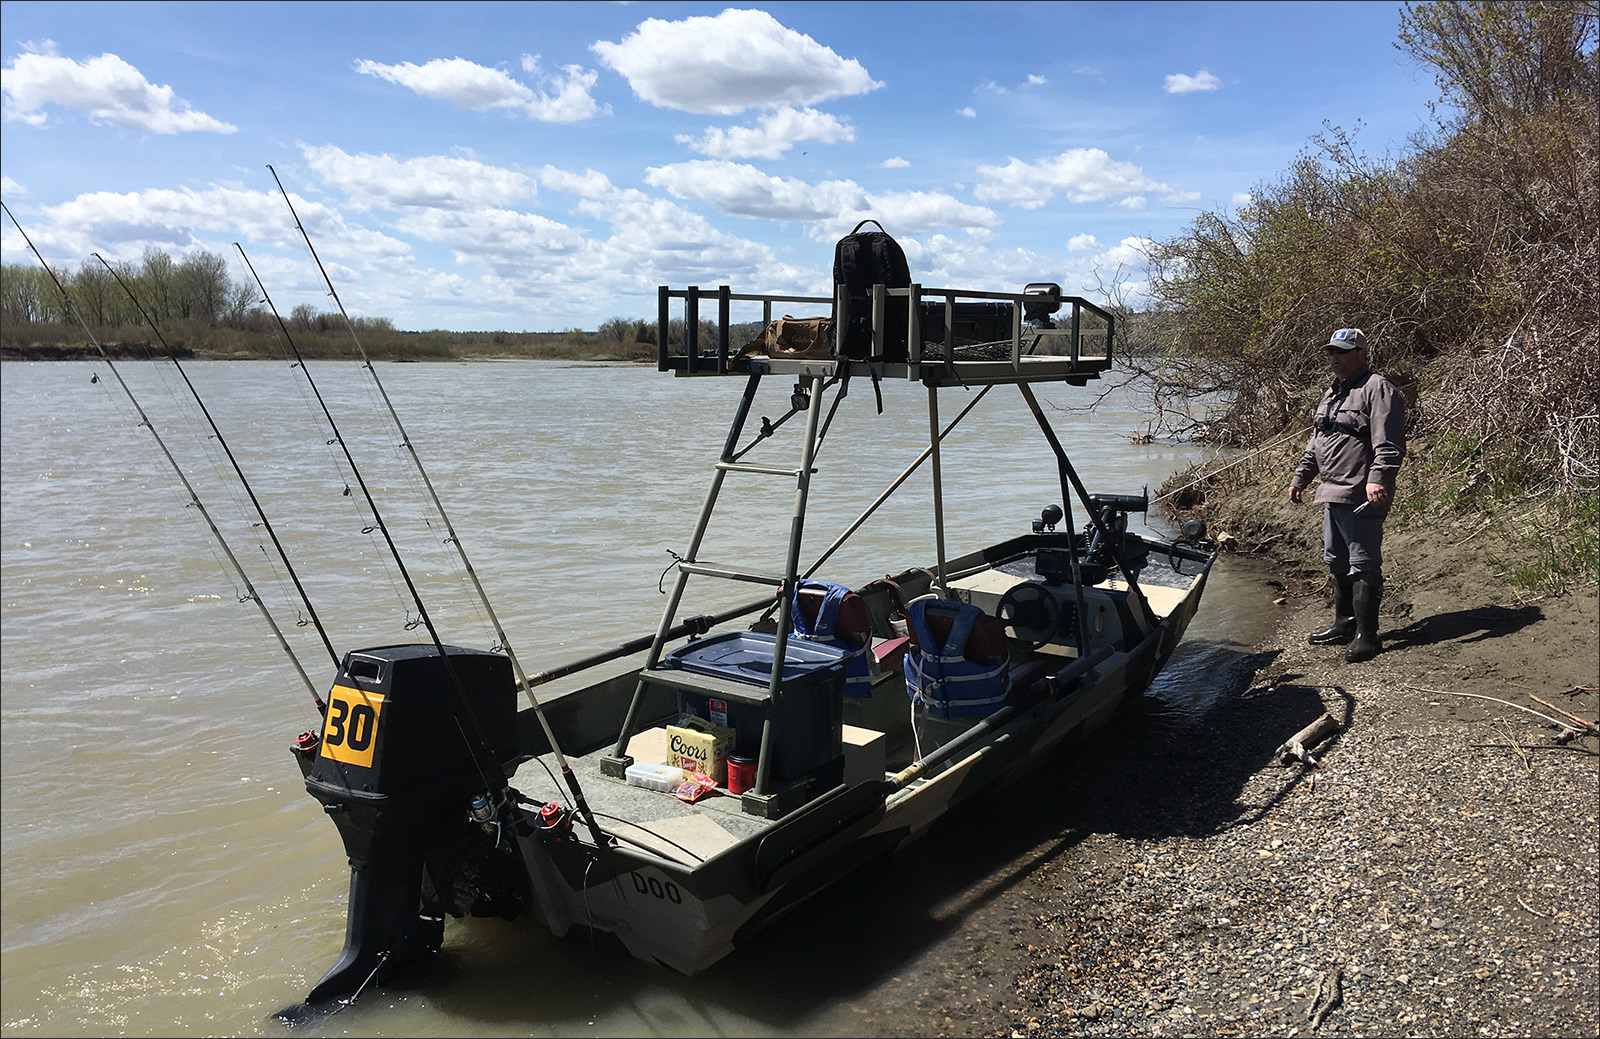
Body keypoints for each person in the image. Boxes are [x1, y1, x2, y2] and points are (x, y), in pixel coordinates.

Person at [1289, 328, 1406, 663]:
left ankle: (1367, 637)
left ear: (1362, 354)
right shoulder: (1332, 393)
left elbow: (1389, 443)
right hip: (1331, 492)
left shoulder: (1378, 389)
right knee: (1336, 561)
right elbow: (1316, 444)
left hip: (1361, 493)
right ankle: (1343, 624)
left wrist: (1379, 479)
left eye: (1342, 352)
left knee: (1363, 565)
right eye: (1332, 352)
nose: (1335, 358)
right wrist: (1300, 478)